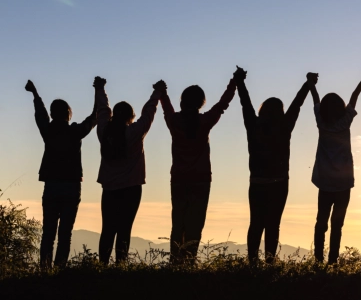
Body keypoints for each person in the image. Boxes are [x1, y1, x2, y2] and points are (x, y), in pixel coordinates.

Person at [234, 66, 316, 263]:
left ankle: (252, 262)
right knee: (273, 224)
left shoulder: (254, 126)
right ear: (280, 111)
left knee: (256, 224)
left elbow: (245, 104)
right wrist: (307, 84)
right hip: (279, 183)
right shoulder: (284, 126)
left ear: (262, 110)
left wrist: (240, 82)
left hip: (257, 182)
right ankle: (270, 262)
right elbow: (297, 105)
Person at [159, 74, 236, 263]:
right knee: (195, 224)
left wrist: (162, 92)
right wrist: (234, 82)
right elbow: (222, 105)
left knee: (178, 223)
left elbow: (166, 107)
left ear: (182, 101)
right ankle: (189, 261)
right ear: (201, 103)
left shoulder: (174, 121)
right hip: (201, 179)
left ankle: (175, 262)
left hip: (178, 179)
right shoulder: (204, 122)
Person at [94, 76, 167, 264]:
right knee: (124, 229)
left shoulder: (104, 131)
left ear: (114, 115)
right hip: (131, 188)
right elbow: (148, 113)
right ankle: (121, 265)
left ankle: (102, 266)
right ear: (130, 117)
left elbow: (102, 110)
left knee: (108, 229)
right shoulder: (135, 133)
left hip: (109, 188)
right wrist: (157, 93)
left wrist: (100, 88)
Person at [25, 79, 97, 269]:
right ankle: (60, 269)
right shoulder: (75, 131)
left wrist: (35, 93)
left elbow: (40, 114)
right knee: (66, 232)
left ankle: (45, 268)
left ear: (52, 114)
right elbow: (93, 118)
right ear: (68, 113)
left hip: (51, 186)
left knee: (48, 231)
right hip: (72, 186)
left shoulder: (48, 131)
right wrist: (99, 92)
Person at [308, 73, 361, 264]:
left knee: (321, 223)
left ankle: (317, 260)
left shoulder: (321, 123)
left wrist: (311, 84)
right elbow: (354, 98)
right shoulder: (344, 122)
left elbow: (315, 100)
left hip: (325, 183)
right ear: (341, 108)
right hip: (343, 184)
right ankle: (332, 261)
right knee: (337, 225)